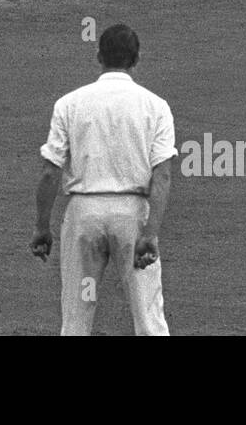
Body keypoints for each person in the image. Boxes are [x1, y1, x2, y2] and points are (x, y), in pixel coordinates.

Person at [31, 23, 176, 336]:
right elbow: (162, 175)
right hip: (132, 215)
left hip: (83, 215)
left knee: (76, 317)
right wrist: (150, 233)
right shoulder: (156, 106)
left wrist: (42, 227)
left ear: (99, 56)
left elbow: (49, 171)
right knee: (149, 316)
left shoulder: (69, 104)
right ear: (136, 60)